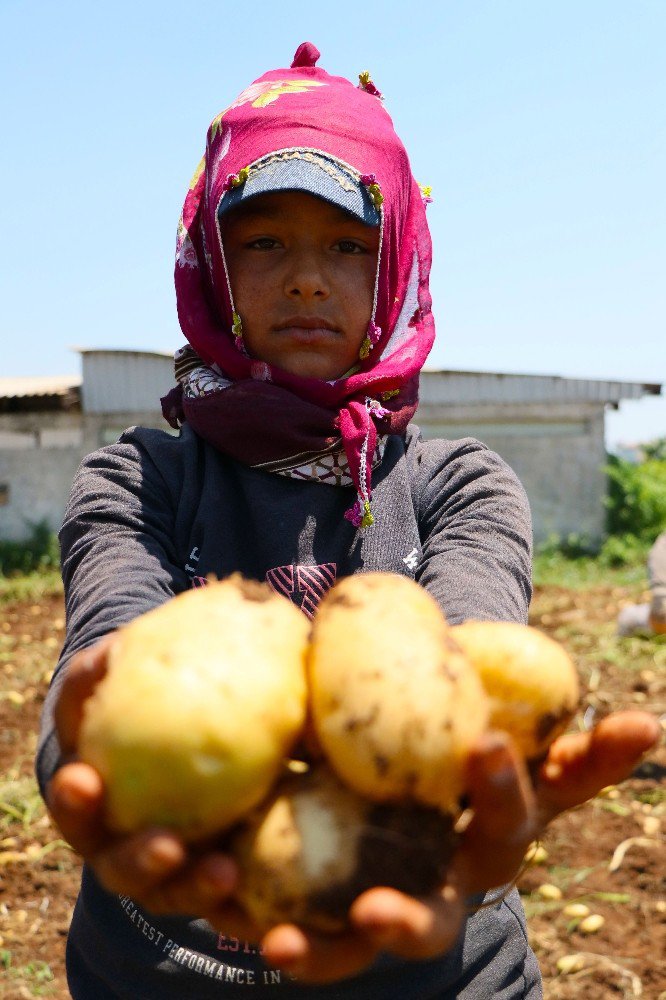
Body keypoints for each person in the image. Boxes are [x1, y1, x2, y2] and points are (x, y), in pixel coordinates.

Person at [36, 42, 659, 999]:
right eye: (263, 242)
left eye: (348, 246)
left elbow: (473, 656)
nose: (307, 281)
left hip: (444, 972)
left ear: (400, 256)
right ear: (211, 261)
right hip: (162, 965)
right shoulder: (137, 475)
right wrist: (101, 751)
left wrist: (456, 786)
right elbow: (110, 644)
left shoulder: (463, 483)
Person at [617, 531, 666, 636]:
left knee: (626, 616)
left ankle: (620, 645)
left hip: (662, 619)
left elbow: (661, 608)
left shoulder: (662, 545)